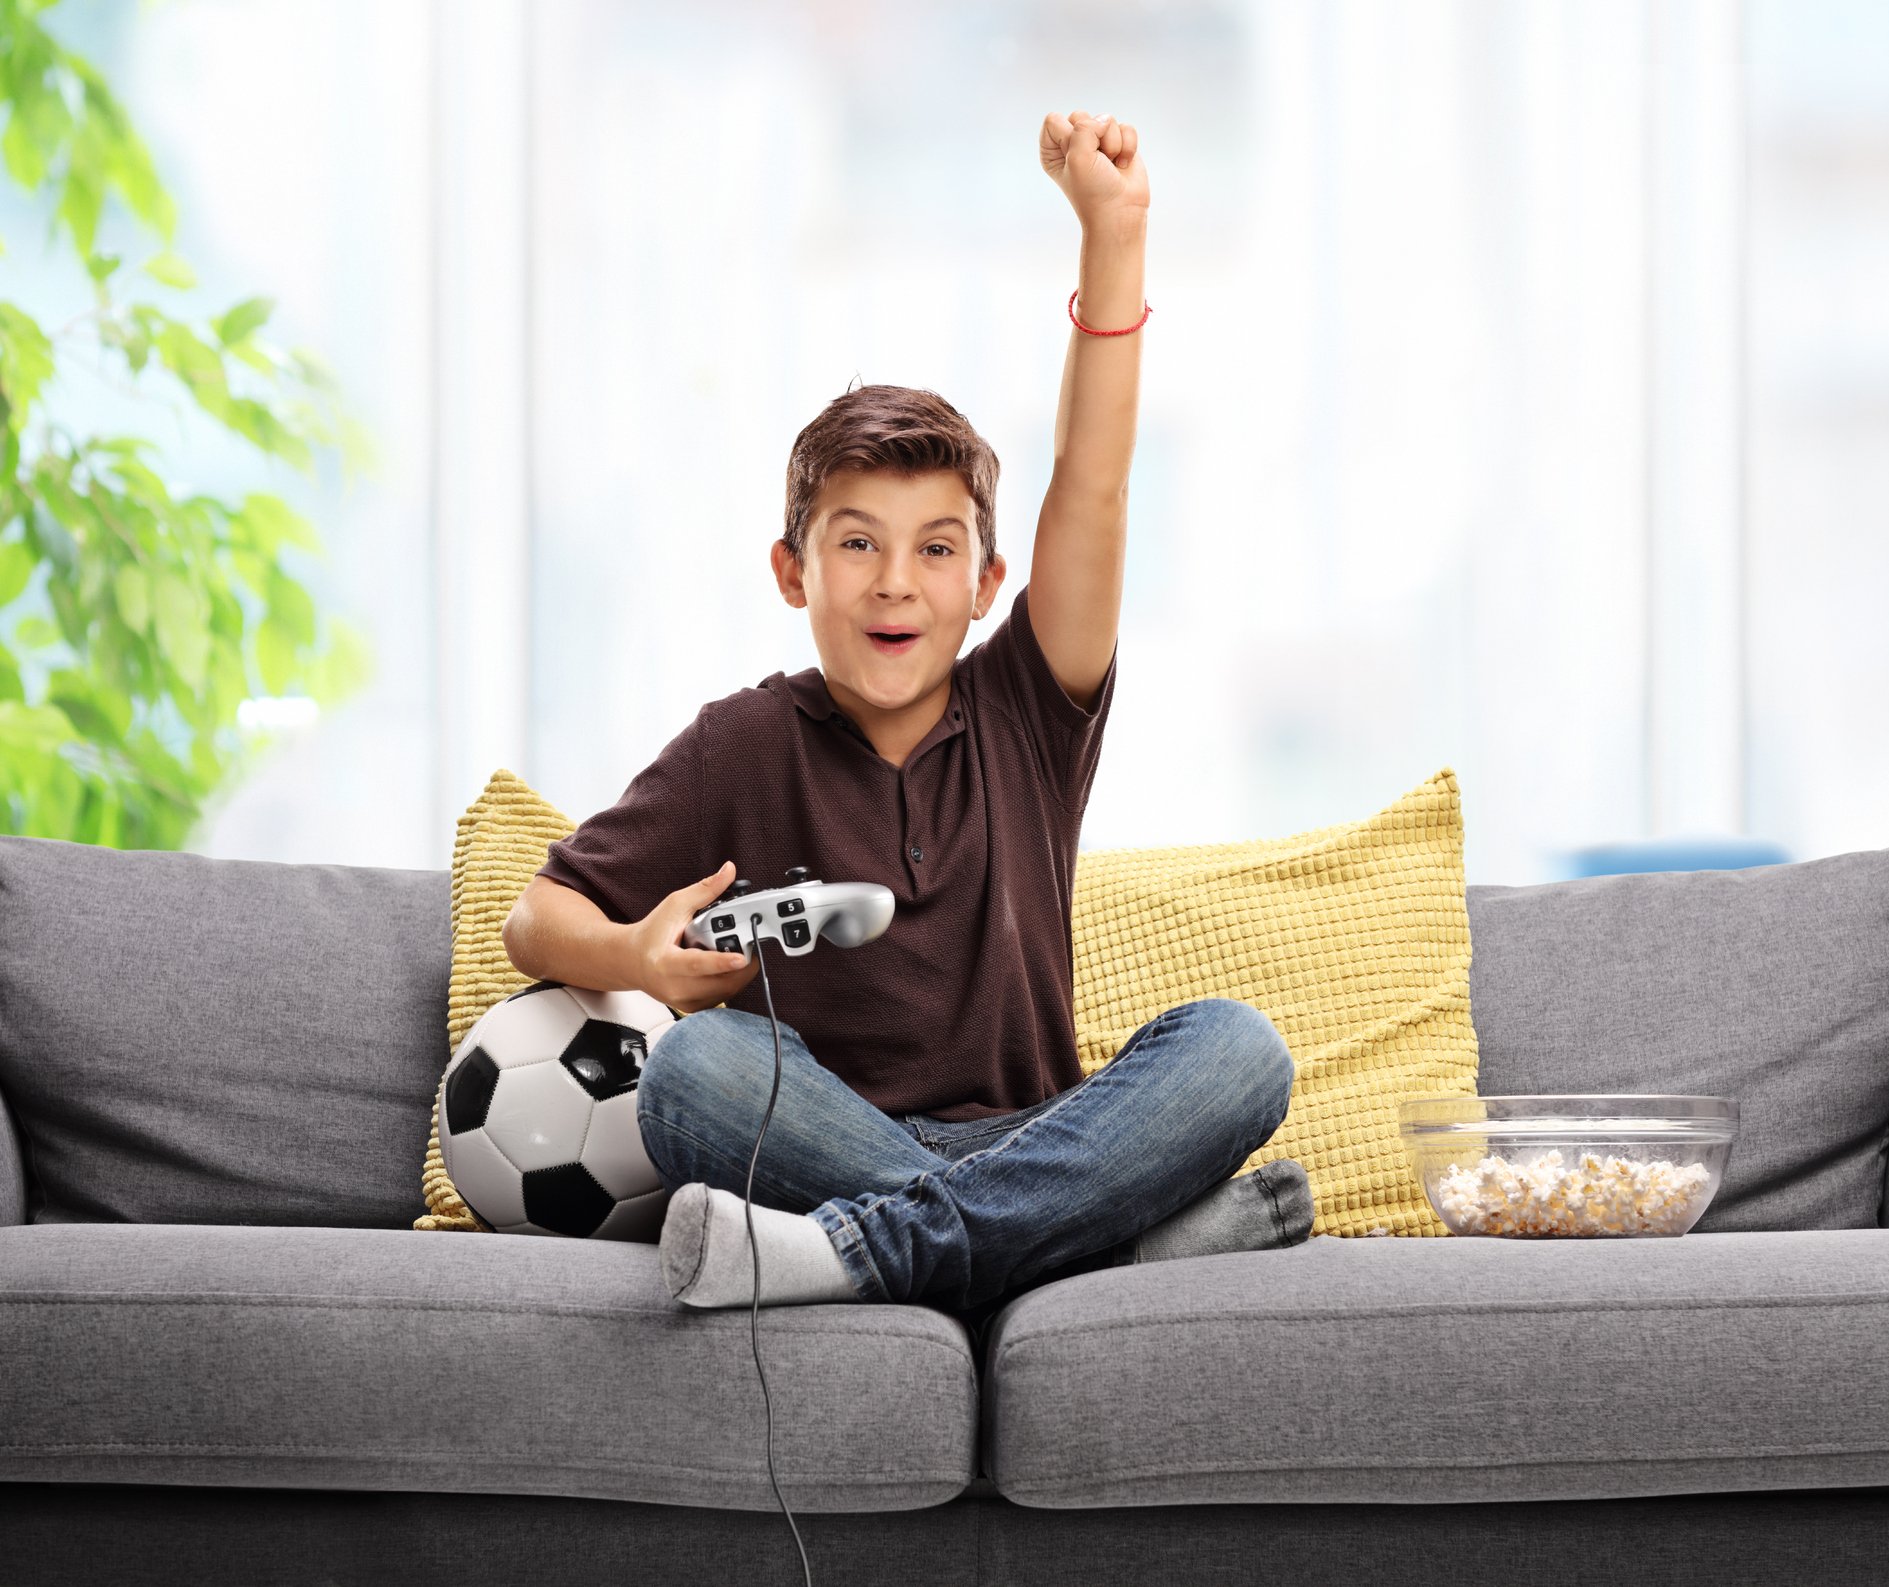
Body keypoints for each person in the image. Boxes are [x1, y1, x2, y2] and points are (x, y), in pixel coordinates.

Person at [500, 111, 1311, 1347]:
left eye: (937, 551)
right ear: (792, 571)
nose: (894, 584)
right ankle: (1085, 1251)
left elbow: (1089, 480)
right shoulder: (740, 743)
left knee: (1238, 1049)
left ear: (985, 586)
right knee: (690, 1071)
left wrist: (1115, 235)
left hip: (1043, 1132)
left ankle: (870, 1253)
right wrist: (641, 962)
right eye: (856, 546)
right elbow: (533, 919)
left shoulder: (1026, 701)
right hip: (826, 1133)